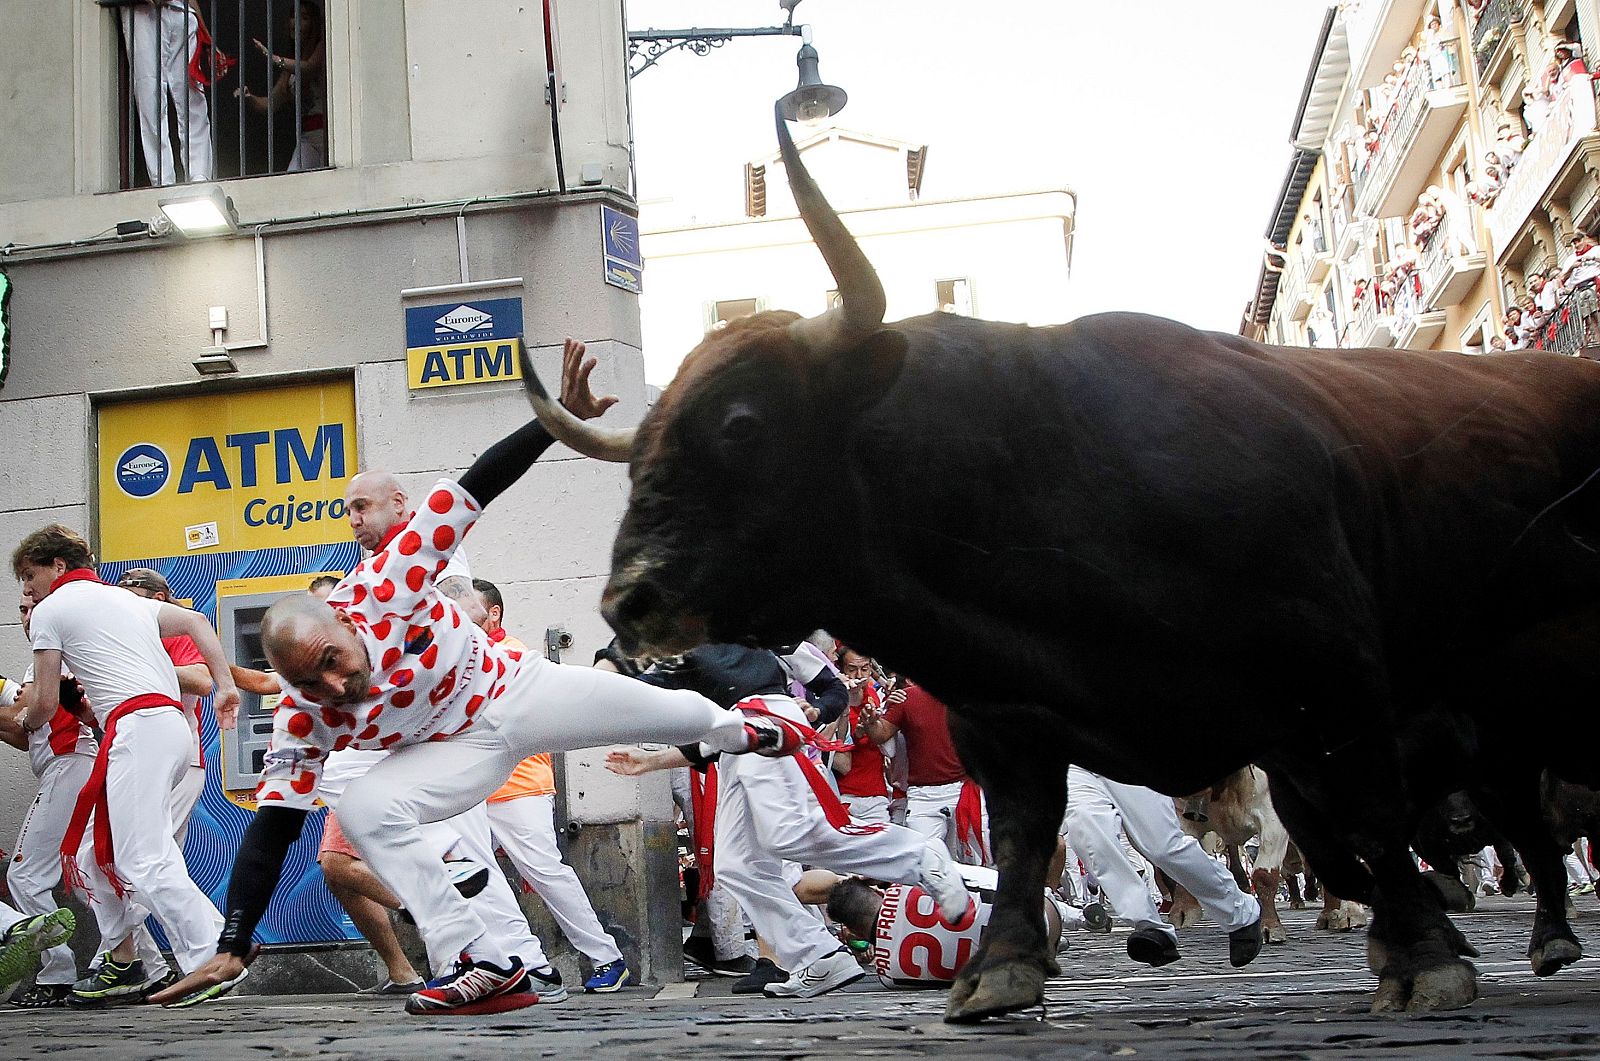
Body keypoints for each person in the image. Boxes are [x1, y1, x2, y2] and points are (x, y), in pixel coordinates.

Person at [154, 338, 797, 1017]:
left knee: (673, 712)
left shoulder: (385, 580)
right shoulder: (302, 717)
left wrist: (559, 418)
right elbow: (272, 829)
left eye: (335, 661)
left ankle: (747, 729)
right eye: (312, 683)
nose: (337, 688)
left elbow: (478, 482)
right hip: (457, 751)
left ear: (345, 622)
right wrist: (235, 936)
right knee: (367, 806)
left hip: (515, 692)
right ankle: (485, 959)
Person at [605, 643, 974, 1000]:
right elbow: (719, 733)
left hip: (766, 723)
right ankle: (816, 955)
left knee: (791, 834)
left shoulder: (757, 637)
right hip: (744, 734)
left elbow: (830, 691)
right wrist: (652, 759)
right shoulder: (690, 651)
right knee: (737, 866)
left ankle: (918, 855)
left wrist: (813, 712)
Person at [13, 524, 237, 1000]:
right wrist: (227, 685)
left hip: (138, 731)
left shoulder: (52, 608)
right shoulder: (127, 600)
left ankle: (213, 954)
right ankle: (126, 958)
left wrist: (28, 720)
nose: (26, 589)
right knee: (99, 855)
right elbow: (197, 622)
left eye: (29, 575)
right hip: (165, 728)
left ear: (57, 567)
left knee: (142, 856)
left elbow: (45, 705)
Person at [475, 578, 632, 994]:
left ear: (493, 613)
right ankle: (506, 965)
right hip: (475, 792)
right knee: (471, 874)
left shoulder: (509, 655)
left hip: (518, 787)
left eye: (468, 609)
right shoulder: (476, 654)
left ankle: (607, 958)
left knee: (546, 873)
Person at [0, 590, 97, 1006]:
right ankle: (139, 961)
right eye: (21, 609)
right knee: (91, 876)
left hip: (70, 766)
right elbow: (24, 734)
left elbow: (25, 707)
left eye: (33, 608)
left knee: (25, 876)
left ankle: (57, 973)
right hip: (69, 766)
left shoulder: (57, 656)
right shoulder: (41, 661)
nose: (26, 617)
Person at [1064, 766, 1262, 969]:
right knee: (1090, 836)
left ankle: (1241, 912)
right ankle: (1148, 924)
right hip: (1071, 760)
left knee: (1163, 846)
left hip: (1124, 752)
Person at [799, 864, 1107, 987]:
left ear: (852, 931)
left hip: (1033, 960)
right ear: (876, 889)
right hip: (1042, 910)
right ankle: (1071, 913)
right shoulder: (909, 879)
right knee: (959, 876)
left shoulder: (889, 974)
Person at [859, 680, 988, 865]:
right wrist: (871, 722)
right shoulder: (907, 698)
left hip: (965, 791)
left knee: (982, 860)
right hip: (923, 796)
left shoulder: (969, 696)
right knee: (922, 862)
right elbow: (881, 733)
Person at [119, 0, 223, 186]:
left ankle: (199, 176)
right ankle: (163, 181)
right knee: (150, 96)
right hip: (143, 11)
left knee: (192, 96)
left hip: (182, 10)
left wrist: (206, 35)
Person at [237, 1, 326, 172]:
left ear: (314, 23)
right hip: (307, 136)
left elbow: (309, 67)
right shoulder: (289, 66)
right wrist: (249, 97)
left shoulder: (323, 46)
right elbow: (270, 104)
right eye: (293, 16)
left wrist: (274, 58)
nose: (296, 22)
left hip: (327, 135)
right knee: (293, 180)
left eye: (304, 17)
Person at [826, 648, 894, 826]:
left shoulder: (875, 697)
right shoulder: (830, 700)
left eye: (864, 669)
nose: (859, 675)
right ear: (840, 670)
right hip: (842, 795)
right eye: (852, 669)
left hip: (876, 796)